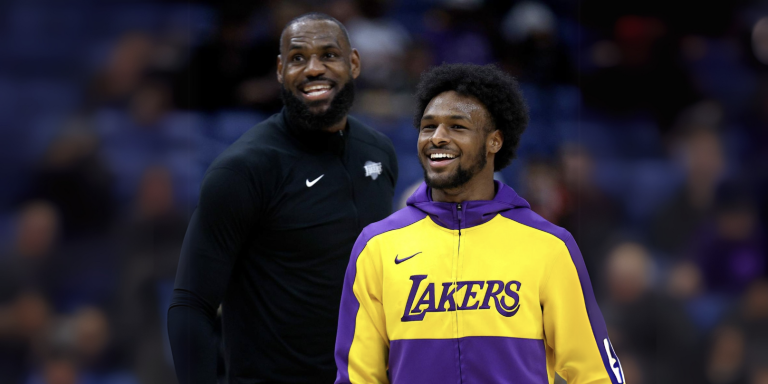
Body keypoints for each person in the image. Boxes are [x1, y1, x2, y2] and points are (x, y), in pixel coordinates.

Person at [334, 63, 623, 384]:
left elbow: (596, 374)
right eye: (429, 127)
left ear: (494, 141)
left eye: (457, 126)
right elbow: (359, 377)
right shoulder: (377, 245)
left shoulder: (549, 246)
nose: (438, 138)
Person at [167, 13, 398, 384]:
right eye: (297, 58)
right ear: (279, 70)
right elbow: (191, 304)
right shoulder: (244, 169)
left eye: (328, 55)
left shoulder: (379, 152)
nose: (313, 69)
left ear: (353, 63)